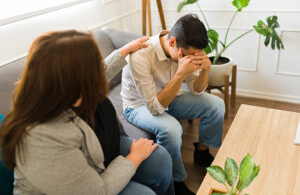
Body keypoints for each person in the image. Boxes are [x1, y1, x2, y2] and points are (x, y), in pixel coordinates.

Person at [0, 30, 175, 195]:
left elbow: (102, 72)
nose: (101, 70)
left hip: (96, 152)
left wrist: (125, 50)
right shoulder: (43, 138)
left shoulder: (57, 91)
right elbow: (98, 191)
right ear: (75, 82)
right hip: (89, 186)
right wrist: (134, 157)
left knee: (160, 159)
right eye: (96, 68)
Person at [121, 14, 225, 194]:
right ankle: (175, 181)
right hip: (139, 105)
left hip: (170, 96)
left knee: (216, 105)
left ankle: (201, 152)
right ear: (172, 43)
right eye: (189, 55)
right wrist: (180, 74)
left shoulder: (185, 46)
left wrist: (206, 69)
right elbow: (154, 107)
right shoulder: (140, 56)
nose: (192, 59)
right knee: (172, 129)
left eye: (196, 55)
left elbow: (196, 90)